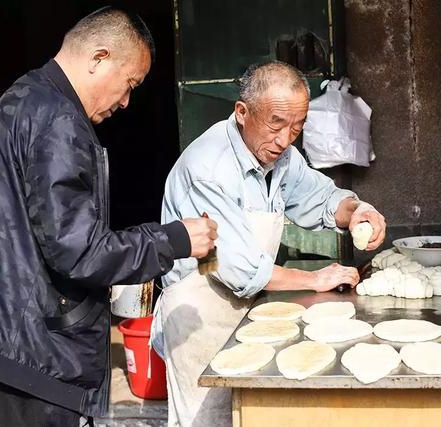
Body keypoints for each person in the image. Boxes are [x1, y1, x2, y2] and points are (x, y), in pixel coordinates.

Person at [0, 6, 217, 426]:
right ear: (99, 58)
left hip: (13, 327)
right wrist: (174, 240)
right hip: (33, 342)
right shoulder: (57, 120)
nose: (125, 101)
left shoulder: (28, 96)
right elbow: (78, 250)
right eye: (129, 84)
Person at [152, 61, 387, 427]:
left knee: (254, 416)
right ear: (242, 112)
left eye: (296, 128)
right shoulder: (208, 167)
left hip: (246, 307)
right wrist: (314, 279)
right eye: (276, 123)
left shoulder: (282, 157)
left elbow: (320, 198)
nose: (284, 139)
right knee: (208, 419)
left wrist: (356, 210)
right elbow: (234, 266)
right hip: (199, 311)